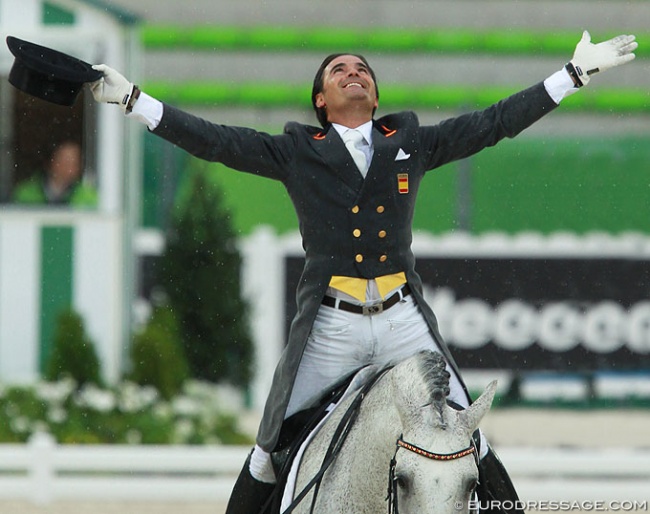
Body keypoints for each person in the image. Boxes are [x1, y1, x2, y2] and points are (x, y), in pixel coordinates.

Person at [89, 30, 636, 514]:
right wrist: (133, 100)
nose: (354, 74)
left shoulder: (410, 143)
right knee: (269, 443)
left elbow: (493, 124)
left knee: (467, 429)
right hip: (333, 325)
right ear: (322, 101)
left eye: (363, 70)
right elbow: (213, 139)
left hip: (401, 320)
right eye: (339, 70)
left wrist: (574, 73)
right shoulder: (296, 151)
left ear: (374, 96)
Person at [13, 140, 97, 207]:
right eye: (65, 161)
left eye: (75, 162)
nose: (71, 167)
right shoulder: (25, 193)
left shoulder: (89, 196)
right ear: (50, 162)